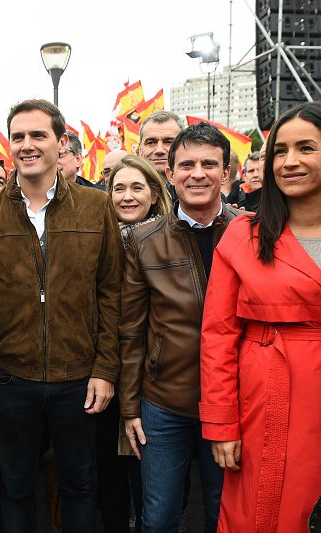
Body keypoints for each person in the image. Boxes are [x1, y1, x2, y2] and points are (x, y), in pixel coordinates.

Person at [199, 100, 321, 533]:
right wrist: (220, 424)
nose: (289, 162)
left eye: (306, 148)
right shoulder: (244, 233)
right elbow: (217, 335)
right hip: (260, 396)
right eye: (279, 151)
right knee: (256, 510)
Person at [0, 98, 122, 532]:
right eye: (18, 136)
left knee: (79, 485)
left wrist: (106, 368)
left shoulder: (96, 207)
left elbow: (111, 293)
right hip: (11, 380)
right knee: (14, 486)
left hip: (79, 378)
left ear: (61, 142)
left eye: (38, 135)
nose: (27, 145)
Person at [120, 123, 241, 533]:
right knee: (157, 518)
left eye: (210, 164)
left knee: (223, 514)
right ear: (170, 174)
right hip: (163, 402)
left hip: (234, 400)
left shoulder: (254, 231)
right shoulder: (143, 239)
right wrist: (130, 406)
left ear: (227, 173)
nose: (198, 173)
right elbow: (132, 331)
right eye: (186, 164)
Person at [107, 154, 173, 531]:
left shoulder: (170, 237)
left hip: (154, 374)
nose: (127, 196)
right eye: (118, 188)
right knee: (110, 472)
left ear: (153, 193)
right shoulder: (98, 240)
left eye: (137, 187)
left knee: (153, 477)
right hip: (104, 370)